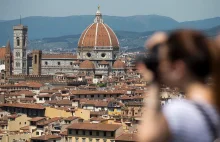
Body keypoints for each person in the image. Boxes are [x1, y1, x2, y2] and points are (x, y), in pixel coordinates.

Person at [137, 30, 220, 142]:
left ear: (178, 68)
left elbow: (147, 138)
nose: (161, 70)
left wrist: (154, 82)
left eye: (163, 64)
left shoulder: (182, 111)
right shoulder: (214, 104)